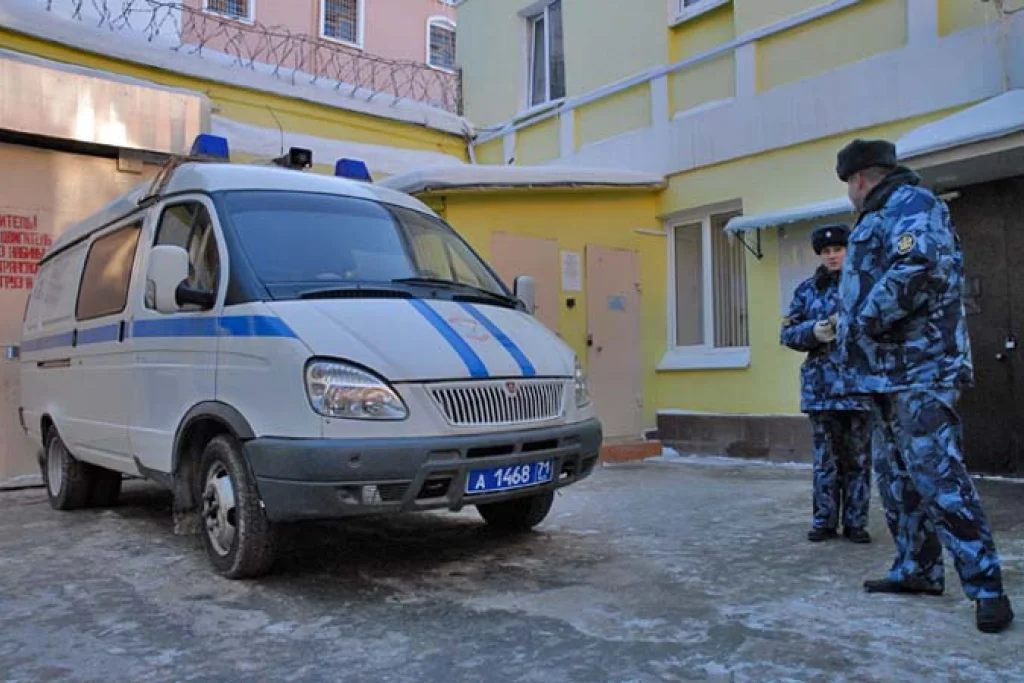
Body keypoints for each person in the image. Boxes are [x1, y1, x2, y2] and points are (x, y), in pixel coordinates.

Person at [832, 137, 1014, 634]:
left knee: (937, 475)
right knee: (896, 479)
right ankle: (917, 568)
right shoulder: (880, 212)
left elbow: (919, 267)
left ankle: (987, 588)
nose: (849, 193)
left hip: (920, 369)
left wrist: (864, 321)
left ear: (859, 179)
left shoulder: (912, 203)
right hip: (886, 373)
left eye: (848, 184)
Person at [781, 224, 872, 544]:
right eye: (826, 251)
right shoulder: (808, 290)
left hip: (858, 387)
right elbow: (787, 333)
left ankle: (856, 523)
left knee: (858, 460)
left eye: (838, 249)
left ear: (849, 250)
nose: (833, 256)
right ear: (819, 255)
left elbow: (883, 327)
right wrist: (813, 331)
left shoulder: (865, 286)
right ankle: (824, 521)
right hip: (821, 390)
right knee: (825, 462)